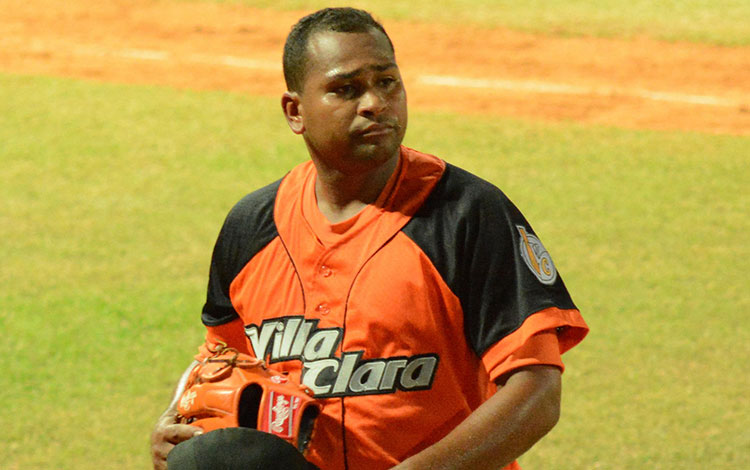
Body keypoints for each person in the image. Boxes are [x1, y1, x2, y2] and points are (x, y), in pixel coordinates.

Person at [150, 7, 589, 470]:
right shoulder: (251, 227)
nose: (374, 103)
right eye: (346, 89)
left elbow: (537, 391)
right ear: (295, 112)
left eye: (387, 82)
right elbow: (221, 370)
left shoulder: (464, 214)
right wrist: (177, 427)